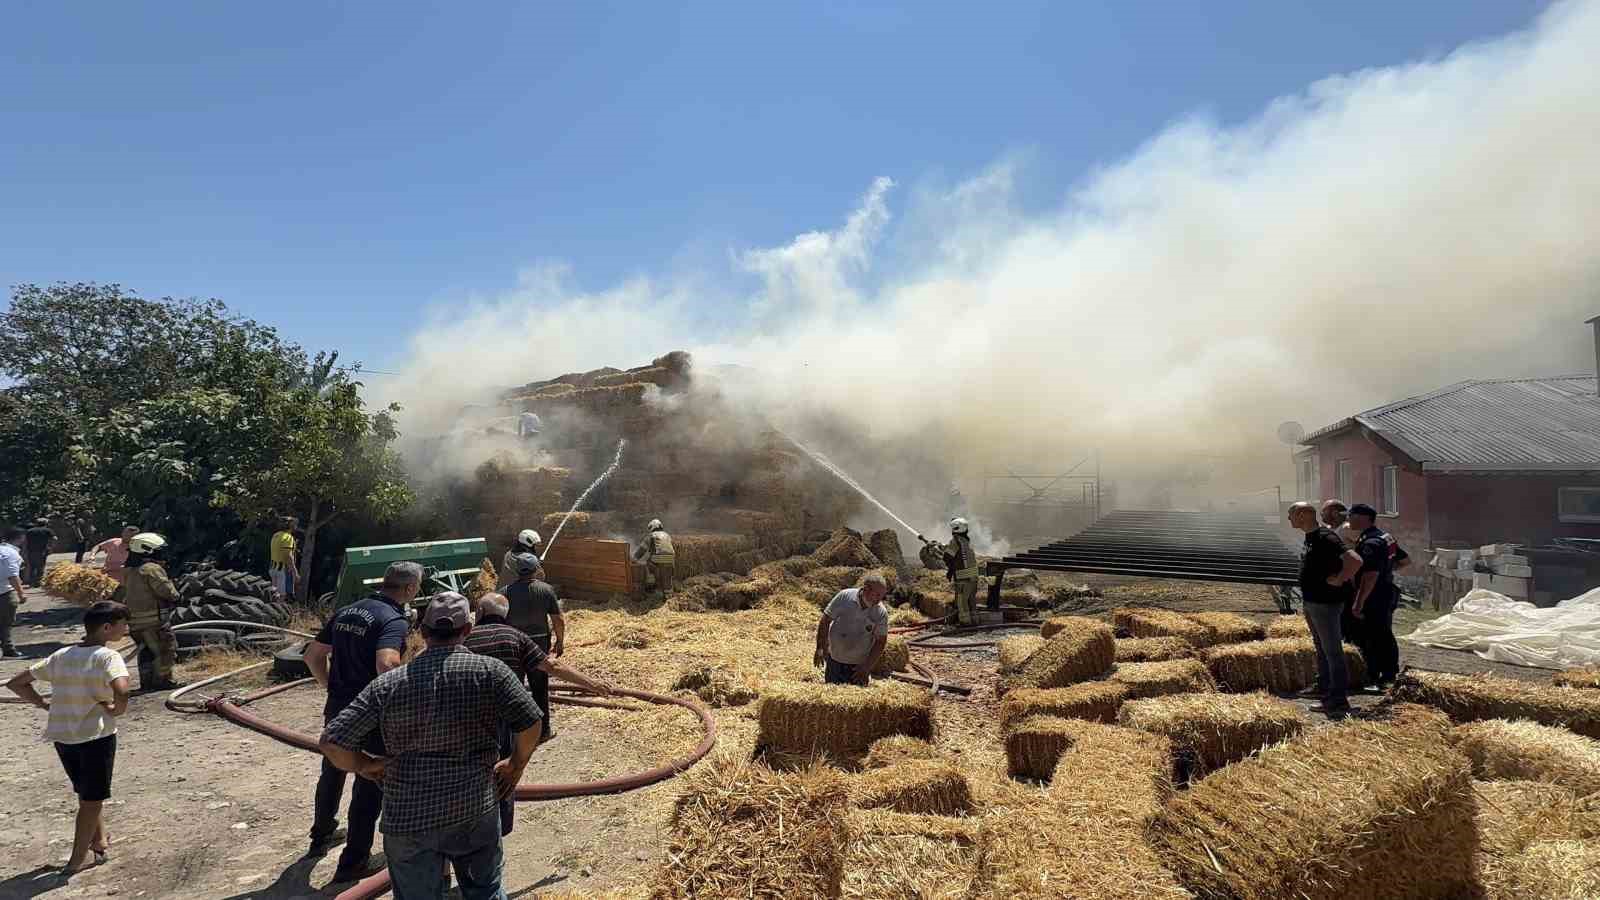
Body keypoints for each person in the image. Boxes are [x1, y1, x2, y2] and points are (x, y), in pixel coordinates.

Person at [319, 593, 543, 900]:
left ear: (422, 633)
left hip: (408, 817)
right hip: (473, 807)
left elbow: (332, 742)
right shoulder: (490, 672)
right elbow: (531, 722)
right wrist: (516, 764)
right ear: (468, 630)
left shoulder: (387, 685)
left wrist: (365, 765)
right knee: (486, 892)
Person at [302, 560, 416, 882]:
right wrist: (407, 696)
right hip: (371, 713)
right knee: (369, 780)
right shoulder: (393, 619)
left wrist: (329, 686)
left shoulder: (347, 611)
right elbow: (387, 664)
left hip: (338, 706)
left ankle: (322, 833)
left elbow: (312, 655)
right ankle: (353, 861)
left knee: (333, 770)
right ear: (408, 589)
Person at [463, 591, 613, 835]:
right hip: (505, 717)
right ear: (506, 615)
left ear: (478, 614)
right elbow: (552, 666)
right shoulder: (515, 637)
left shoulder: (464, 638)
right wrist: (591, 684)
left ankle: (467, 825)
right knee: (505, 770)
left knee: (468, 771)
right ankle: (497, 828)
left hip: (466, 717)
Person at [5, 601, 132, 873]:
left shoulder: (61, 655)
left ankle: (98, 841)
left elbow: (16, 683)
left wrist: (42, 704)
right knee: (91, 800)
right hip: (95, 737)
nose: (127, 629)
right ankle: (78, 859)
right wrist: (115, 710)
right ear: (107, 628)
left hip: (63, 737)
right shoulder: (108, 657)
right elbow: (122, 690)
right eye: (123, 624)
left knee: (87, 793)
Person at [1289, 501, 1362, 716]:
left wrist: (1340, 579)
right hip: (1314, 601)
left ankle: (1338, 701)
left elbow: (1355, 560)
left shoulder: (1325, 537)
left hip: (1325, 603)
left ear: (1303, 515)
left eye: (1291, 514)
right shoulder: (1312, 537)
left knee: (1332, 652)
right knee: (1321, 647)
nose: (1289, 519)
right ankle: (1324, 689)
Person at [502, 553, 564, 740]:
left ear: (516, 570)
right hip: (538, 644)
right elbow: (558, 619)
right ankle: (544, 731)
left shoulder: (505, 592)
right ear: (537, 569)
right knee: (540, 688)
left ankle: (516, 734)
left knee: (514, 688)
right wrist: (560, 641)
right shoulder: (546, 590)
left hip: (514, 644)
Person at [109, 533, 180, 691]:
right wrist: (176, 592)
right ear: (148, 550)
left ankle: (147, 683)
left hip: (135, 623)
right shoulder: (151, 569)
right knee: (165, 650)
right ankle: (163, 681)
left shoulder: (128, 571)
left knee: (145, 652)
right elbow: (167, 591)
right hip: (154, 622)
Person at [1349, 503, 1403, 688]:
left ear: (1362, 518)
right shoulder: (1385, 537)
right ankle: (1389, 673)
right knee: (1383, 633)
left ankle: (1378, 676)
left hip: (1374, 595)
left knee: (1372, 636)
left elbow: (1370, 575)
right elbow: (1404, 560)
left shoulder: (1370, 542)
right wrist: (1387, 572)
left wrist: (1358, 603)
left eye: (1351, 515)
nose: (1348, 519)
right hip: (1386, 590)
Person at [813, 574, 890, 686]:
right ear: (866, 589)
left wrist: (866, 667)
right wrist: (820, 647)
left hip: (858, 667)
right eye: (877, 595)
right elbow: (825, 620)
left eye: (882, 596)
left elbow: (880, 641)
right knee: (832, 697)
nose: (879, 600)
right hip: (835, 660)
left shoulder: (880, 612)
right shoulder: (844, 597)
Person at [927, 517, 979, 627]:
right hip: (974, 577)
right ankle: (975, 620)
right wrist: (942, 546)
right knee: (971, 600)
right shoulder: (966, 541)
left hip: (963, 578)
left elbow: (948, 557)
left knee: (962, 601)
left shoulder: (955, 541)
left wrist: (935, 551)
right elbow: (959, 554)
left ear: (955, 530)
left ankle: (965, 623)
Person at [1, 527, 28, 657]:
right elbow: (13, 576)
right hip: (4, 592)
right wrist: (21, 593)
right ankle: (8, 648)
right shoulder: (11, 553)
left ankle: (7, 647)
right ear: (21, 538)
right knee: (6, 621)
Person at [632, 519, 676, 594]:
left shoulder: (651, 536)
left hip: (658, 557)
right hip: (671, 558)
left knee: (648, 564)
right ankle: (669, 596)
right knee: (667, 577)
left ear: (652, 527)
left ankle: (651, 585)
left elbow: (642, 549)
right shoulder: (667, 535)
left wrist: (634, 558)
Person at [270, 517, 300, 600]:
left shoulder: (276, 535)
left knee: (275, 595)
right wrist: (295, 572)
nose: (296, 526)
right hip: (282, 570)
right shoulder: (288, 537)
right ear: (291, 526)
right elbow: (288, 556)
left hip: (273, 568)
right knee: (282, 597)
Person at [24, 519, 55, 587]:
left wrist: (25, 551)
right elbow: (54, 538)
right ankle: (38, 582)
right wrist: (50, 547)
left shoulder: (29, 531)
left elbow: (25, 541)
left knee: (32, 567)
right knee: (41, 566)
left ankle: (31, 583)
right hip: (42, 551)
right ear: (45, 523)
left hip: (31, 551)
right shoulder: (47, 530)